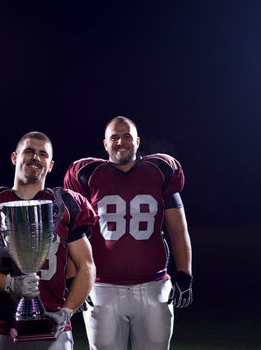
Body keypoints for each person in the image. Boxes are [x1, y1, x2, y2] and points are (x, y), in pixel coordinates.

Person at [0, 131, 97, 350]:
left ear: (50, 165)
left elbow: (86, 265)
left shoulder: (66, 203)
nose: (35, 158)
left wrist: (67, 311)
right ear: (14, 157)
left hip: (52, 320)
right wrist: (10, 284)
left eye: (42, 154)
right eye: (29, 151)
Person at [64, 116, 193, 350]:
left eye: (126, 136)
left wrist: (185, 273)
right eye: (114, 137)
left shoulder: (161, 170)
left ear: (137, 141)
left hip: (154, 285)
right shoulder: (87, 174)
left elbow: (178, 229)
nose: (120, 142)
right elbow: (73, 234)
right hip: (101, 287)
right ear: (105, 144)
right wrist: (74, 279)